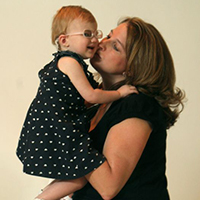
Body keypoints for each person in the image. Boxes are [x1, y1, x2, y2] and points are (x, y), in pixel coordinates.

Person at [38, 16, 185, 200]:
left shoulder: (137, 105)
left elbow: (108, 187)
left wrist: (64, 126)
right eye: (108, 36)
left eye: (116, 46)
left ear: (133, 67)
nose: (101, 44)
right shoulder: (97, 103)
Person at [16, 6, 136, 200]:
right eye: (88, 34)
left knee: (76, 176)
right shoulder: (69, 62)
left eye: (96, 33)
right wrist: (119, 93)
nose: (96, 40)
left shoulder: (73, 64)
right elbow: (91, 96)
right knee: (78, 177)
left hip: (56, 125)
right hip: (57, 126)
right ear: (64, 40)